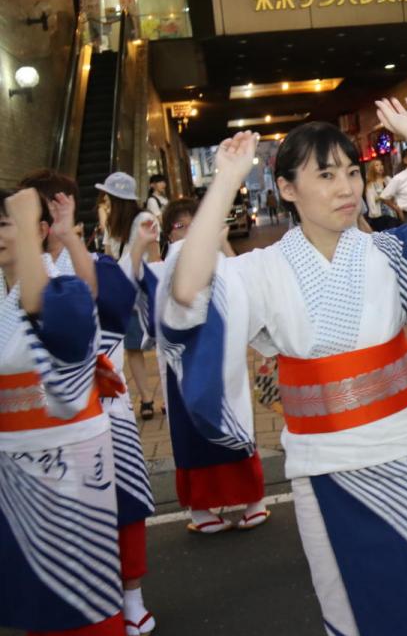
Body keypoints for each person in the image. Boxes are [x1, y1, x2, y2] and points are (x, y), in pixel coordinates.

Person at [158, 101, 407, 635]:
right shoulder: (262, 270)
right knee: (348, 611)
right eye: (326, 174)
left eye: (352, 172)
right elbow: (187, 290)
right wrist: (224, 183)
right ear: (287, 190)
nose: (348, 187)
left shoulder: (390, 249)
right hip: (323, 460)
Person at [21, 170, 160, 635]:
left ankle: (131, 598)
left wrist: (70, 241)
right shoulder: (14, 277)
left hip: (102, 415)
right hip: (35, 431)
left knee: (124, 504)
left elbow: (96, 299)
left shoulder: (89, 264)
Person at [0, 187, 124, 635]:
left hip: (68, 460)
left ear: (39, 229)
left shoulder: (67, 289)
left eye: (5, 222)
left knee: (78, 586)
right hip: (12, 468)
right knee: (29, 586)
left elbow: (60, 327)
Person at [142, 197, 270, 534]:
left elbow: (246, 285)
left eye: (193, 224)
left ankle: (254, 499)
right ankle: (201, 508)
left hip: (222, 359)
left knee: (235, 426)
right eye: (179, 226)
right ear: (168, 234)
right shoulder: (160, 268)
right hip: (180, 367)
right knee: (191, 433)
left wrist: (223, 242)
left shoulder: (220, 261)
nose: (186, 233)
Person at [95, 171, 161, 421]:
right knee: (133, 349)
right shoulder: (112, 224)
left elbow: (154, 254)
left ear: (119, 199)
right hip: (125, 296)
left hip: (145, 292)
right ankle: (146, 397)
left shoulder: (144, 218)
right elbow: (109, 258)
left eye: (108, 199)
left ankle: (166, 398)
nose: (105, 203)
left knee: (161, 347)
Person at [364, 158, 400, 231]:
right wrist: (383, 196)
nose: (380, 167)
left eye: (381, 164)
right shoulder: (370, 185)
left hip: (392, 213)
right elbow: (371, 201)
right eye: (377, 165)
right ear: (372, 168)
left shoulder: (388, 179)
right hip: (379, 216)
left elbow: (395, 194)